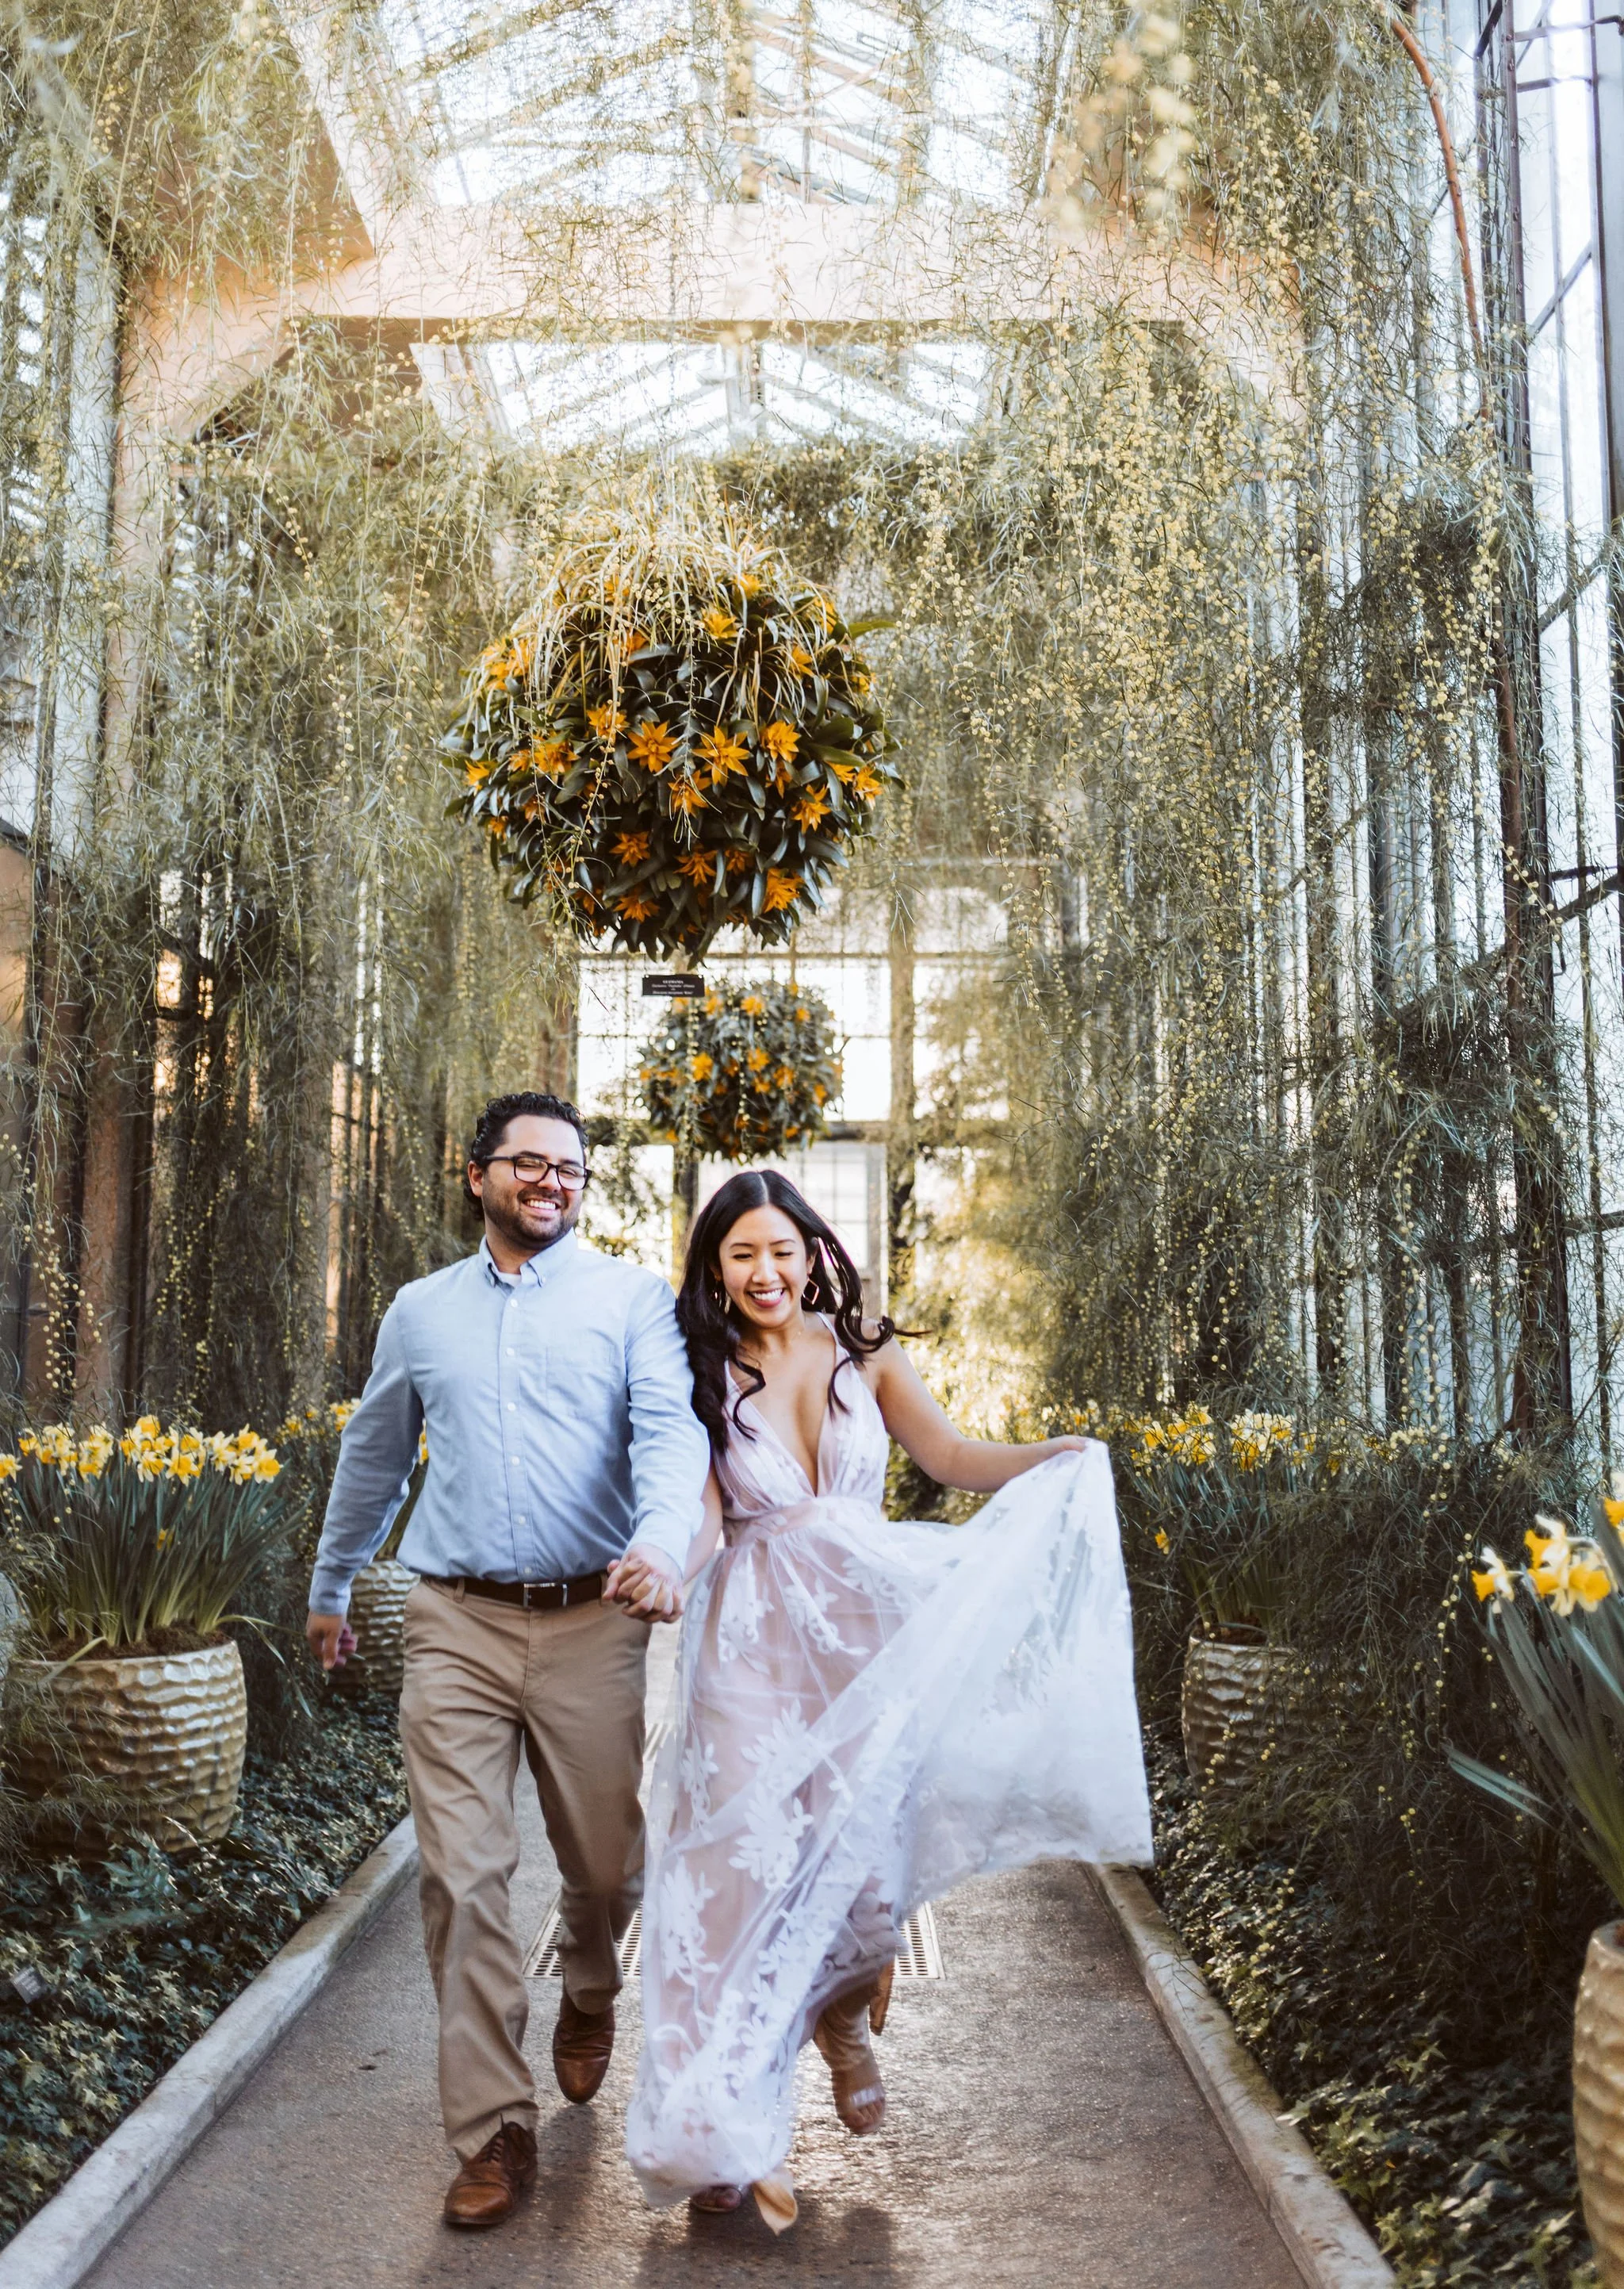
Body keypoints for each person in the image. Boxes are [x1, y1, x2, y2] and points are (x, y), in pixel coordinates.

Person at [619, 1168, 1152, 2231]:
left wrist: (1052, 1456)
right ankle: (723, 2131)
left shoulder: (867, 1353)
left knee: (864, 1858)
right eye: (742, 1255)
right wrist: (666, 1570)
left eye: (784, 1249)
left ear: (817, 1252)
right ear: (715, 1271)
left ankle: (841, 2016)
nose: (767, 1273)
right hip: (754, 1649)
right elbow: (703, 1512)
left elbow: (948, 1456)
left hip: (866, 1632)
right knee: (736, 1881)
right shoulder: (704, 1371)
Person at [306, 1091, 707, 2231]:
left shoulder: (630, 1300)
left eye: (570, 1166)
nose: (551, 1179)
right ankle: (492, 2127)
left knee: (607, 1864)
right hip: (457, 1623)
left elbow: (670, 1431)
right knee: (463, 1877)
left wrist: (663, 1538)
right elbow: (375, 1457)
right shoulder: (420, 1312)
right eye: (527, 1162)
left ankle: (590, 1981)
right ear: (476, 1172)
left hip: (595, 1619)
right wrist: (331, 1590)